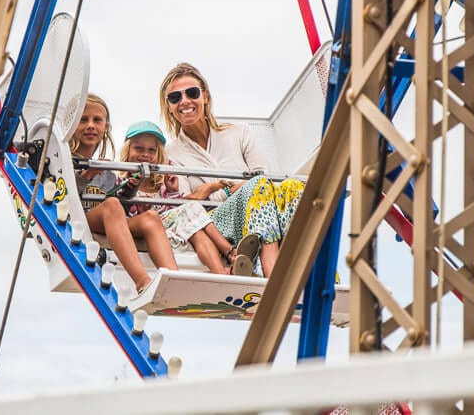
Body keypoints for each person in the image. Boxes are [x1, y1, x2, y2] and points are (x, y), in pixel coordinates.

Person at [159, 63, 306, 277]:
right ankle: (269, 272)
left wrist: (213, 189)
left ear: (205, 96)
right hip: (217, 224)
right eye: (175, 97)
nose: (184, 101)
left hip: (260, 210)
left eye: (192, 93)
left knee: (293, 186)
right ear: (170, 106)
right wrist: (232, 189)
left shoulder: (239, 133)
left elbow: (266, 174)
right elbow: (187, 202)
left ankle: (307, 264)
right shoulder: (171, 155)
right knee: (259, 187)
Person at [118, 120, 257, 276]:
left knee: (195, 231)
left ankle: (220, 272)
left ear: (158, 155)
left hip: (169, 226)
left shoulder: (161, 183)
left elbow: (173, 211)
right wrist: (138, 207)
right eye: (139, 148)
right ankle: (230, 252)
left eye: (152, 150)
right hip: (147, 228)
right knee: (192, 207)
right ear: (127, 150)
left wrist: (172, 192)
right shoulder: (122, 181)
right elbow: (120, 212)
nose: (145, 154)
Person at [70, 94, 178, 291]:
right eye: (83, 120)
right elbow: (64, 195)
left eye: (97, 120)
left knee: (151, 218)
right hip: (79, 220)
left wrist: (131, 186)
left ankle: (173, 280)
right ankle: (142, 281)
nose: (91, 125)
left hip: (107, 217)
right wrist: (86, 176)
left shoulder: (108, 171)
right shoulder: (64, 160)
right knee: (111, 206)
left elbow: (120, 205)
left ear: (106, 127)